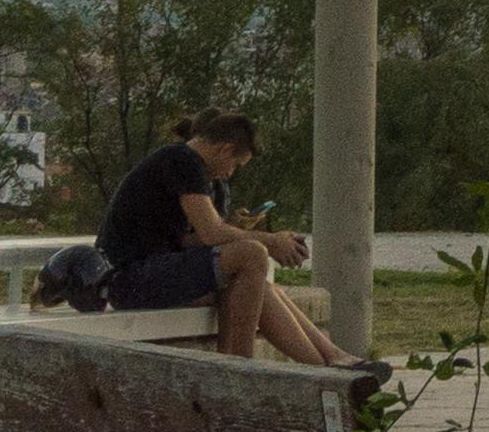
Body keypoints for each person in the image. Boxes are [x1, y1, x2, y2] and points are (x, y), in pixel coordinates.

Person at [95, 107, 340, 363]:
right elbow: (212, 233)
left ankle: (328, 361)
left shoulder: (203, 174)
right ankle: (240, 366)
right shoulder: (181, 159)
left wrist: (258, 236)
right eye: (235, 163)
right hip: (128, 279)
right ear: (225, 149)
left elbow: (190, 240)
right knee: (252, 254)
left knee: (257, 285)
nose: (231, 172)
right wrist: (270, 241)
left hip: (151, 272)